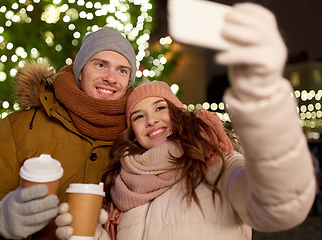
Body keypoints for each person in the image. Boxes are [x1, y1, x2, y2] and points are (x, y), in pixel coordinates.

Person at [55, 3, 316, 240]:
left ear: (178, 114)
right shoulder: (123, 186)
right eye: (138, 116)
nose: (151, 120)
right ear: (132, 131)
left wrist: (264, 101)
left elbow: (280, 205)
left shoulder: (215, 164)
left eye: (160, 108)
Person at [0, 26, 137, 240]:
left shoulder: (137, 137)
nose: (111, 78)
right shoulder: (22, 127)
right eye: (100, 65)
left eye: (122, 70)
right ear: (80, 71)